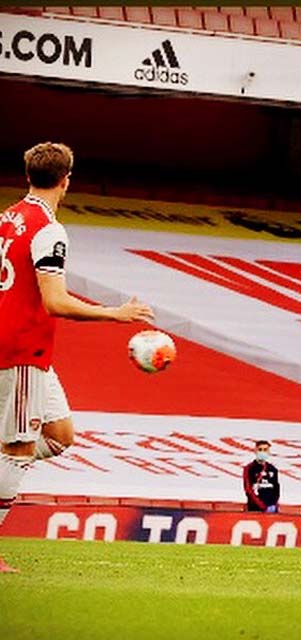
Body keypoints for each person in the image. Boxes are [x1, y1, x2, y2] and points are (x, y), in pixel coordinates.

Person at [0, 142, 154, 573]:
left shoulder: (7, 218)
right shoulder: (48, 230)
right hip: (20, 350)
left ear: (28, 175)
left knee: (60, 435)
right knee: (16, 449)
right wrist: (115, 313)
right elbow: (55, 302)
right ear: (67, 180)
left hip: (25, 350)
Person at [243, 439, 280, 513]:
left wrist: (273, 504)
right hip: (255, 508)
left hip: (271, 509)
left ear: (269, 452)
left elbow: (276, 488)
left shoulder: (273, 469)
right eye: (260, 449)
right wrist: (262, 506)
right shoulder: (249, 468)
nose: (263, 452)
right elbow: (248, 489)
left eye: (265, 450)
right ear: (255, 451)